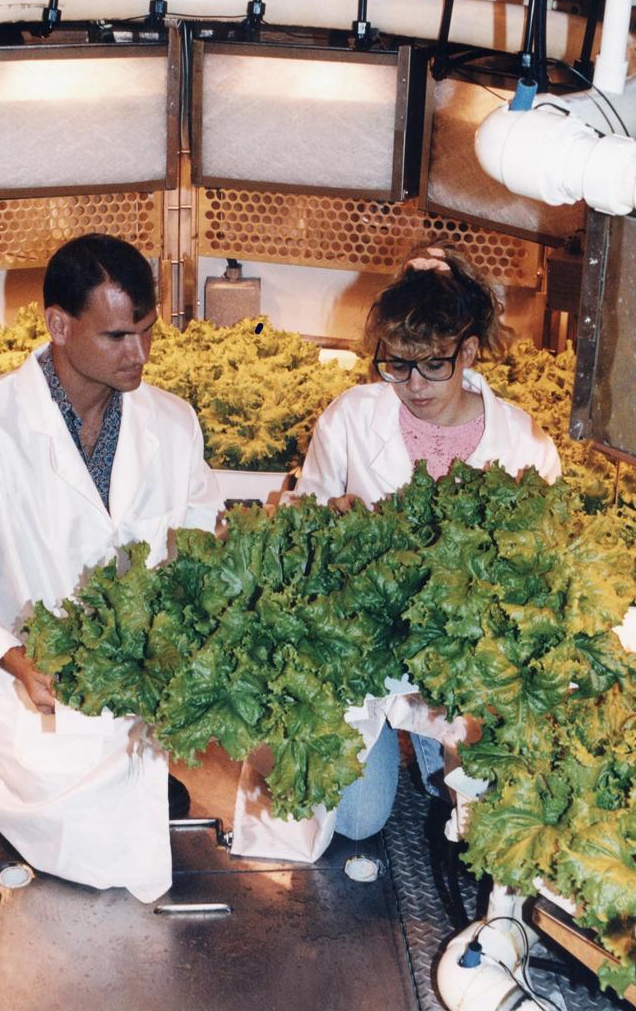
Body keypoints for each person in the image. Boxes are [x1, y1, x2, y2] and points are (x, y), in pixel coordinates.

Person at [0, 234, 222, 901]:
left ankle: (129, 776)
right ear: (58, 324)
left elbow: (198, 544)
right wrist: (12, 657)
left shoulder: (172, 423)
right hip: (23, 670)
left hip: (141, 669)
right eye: (116, 336)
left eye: (147, 332)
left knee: (142, 785)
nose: (139, 355)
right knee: (86, 840)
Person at [233, 240, 560, 858]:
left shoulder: (524, 444)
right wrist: (331, 526)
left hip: (464, 670)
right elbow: (301, 528)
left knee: (467, 794)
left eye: (433, 365)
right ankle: (388, 738)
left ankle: (437, 750)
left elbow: (538, 582)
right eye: (397, 365)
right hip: (367, 655)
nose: (413, 385)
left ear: (466, 350)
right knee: (357, 820)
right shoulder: (352, 417)